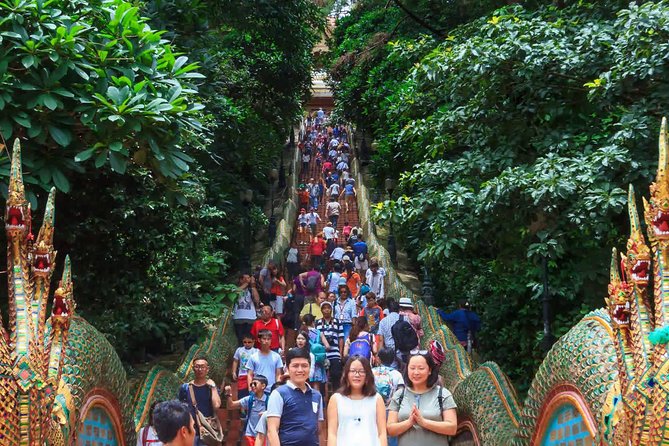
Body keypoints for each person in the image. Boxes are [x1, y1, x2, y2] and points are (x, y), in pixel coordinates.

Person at [387, 352, 457, 446]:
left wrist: (424, 422)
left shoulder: (443, 394)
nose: (416, 372)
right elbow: (390, 430)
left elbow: (452, 428)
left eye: (421, 368)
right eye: (412, 368)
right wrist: (409, 422)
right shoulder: (399, 395)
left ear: (430, 370)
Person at [266, 348, 325, 446]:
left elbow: (320, 431)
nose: (300, 370)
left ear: (310, 368)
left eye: (304, 366)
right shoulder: (278, 394)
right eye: (295, 366)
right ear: (287, 369)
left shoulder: (317, 395)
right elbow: (272, 431)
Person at [327, 356, 387, 446]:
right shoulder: (336, 399)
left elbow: (382, 433)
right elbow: (332, 434)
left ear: (367, 375)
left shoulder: (377, 399)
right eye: (353, 371)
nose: (357, 375)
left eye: (361, 371)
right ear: (346, 374)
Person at [177, 356, 222, 446]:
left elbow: (217, 406)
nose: (200, 369)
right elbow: (180, 407)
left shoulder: (210, 387)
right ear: (193, 368)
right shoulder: (185, 388)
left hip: (207, 430)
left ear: (207, 369)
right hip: (191, 429)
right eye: (197, 366)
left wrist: (213, 387)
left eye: (202, 367)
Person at [224, 375, 269, 446]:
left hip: (264, 434)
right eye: (251, 384)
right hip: (250, 434)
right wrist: (229, 394)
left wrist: (266, 413)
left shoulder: (269, 400)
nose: (252, 386)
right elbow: (231, 406)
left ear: (263, 386)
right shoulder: (249, 399)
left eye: (255, 384)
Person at [316, 300, 344, 392]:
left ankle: (336, 395)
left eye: (328, 308)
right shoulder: (317, 322)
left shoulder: (337, 322)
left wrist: (341, 353)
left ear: (331, 309)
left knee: (336, 375)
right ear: (321, 310)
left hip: (335, 352)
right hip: (322, 353)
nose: (327, 310)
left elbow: (340, 338)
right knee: (322, 378)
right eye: (324, 308)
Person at [234, 274, 261, 344]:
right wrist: (246, 284)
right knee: (240, 339)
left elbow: (257, 300)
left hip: (250, 318)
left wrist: (253, 286)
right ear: (240, 280)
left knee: (250, 339)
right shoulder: (235, 288)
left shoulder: (251, 289)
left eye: (248, 278)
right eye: (245, 278)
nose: (247, 280)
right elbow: (235, 292)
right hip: (238, 318)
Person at [233, 334, 259, 399]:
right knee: (241, 393)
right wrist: (233, 372)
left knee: (253, 392)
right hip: (242, 374)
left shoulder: (256, 351)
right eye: (245, 342)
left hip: (253, 375)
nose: (247, 344)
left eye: (249, 342)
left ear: (253, 342)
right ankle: (242, 409)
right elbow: (235, 361)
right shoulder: (239, 350)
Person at [378, 299, 401, 367]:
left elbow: (381, 340)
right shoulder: (404, 318)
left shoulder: (383, 321)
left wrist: (379, 355)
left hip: (389, 349)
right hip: (402, 349)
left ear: (389, 309)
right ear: (398, 309)